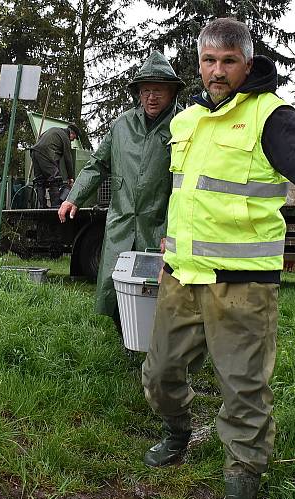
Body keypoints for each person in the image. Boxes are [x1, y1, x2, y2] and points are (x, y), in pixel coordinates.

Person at [140, 18, 295, 499]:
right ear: (199, 63)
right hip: (181, 277)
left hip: (243, 287)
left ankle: (242, 487)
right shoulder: (185, 121)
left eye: (228, 61)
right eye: (209, 60)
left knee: (243, 393)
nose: (217, 71)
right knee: (160, 374)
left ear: (247, 64)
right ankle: (178, 432)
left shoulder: (269, 116)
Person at [58, 50, 184, 329]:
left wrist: (173, 232)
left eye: (159, 90)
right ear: (139, 93)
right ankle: (124, 339)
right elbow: (97, 164)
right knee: (117, 283)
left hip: (162, 223)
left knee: (161, 288)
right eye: (146, 90)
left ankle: (157, 344)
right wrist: (74, 197)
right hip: (122, 221)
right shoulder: (121, 125)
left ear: (172, 92)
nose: (152, 96)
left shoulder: (184, 126)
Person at [31, 124, 79, 208]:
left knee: (40, 181)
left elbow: (56, 160)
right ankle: (56, 206)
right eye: (74, 138)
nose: (72, 140)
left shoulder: (54, 130)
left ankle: (42, 206)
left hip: (34, 152)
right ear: (72, 133)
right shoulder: (65, 137)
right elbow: (68, 158)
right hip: (46, 152)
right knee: (55, 180)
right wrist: (70, 177)